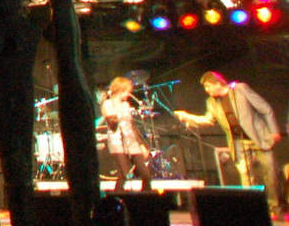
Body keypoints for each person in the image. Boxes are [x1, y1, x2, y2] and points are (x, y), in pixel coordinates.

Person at [176, 70, 282, 214]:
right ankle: (254, 209)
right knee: (246, 176)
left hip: (260, 137)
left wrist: (274, 131)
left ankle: (274, 207)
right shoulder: (211, 102)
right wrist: (188, 117)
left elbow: (265, 109)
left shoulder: (240, 89)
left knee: (271, 173)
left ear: (218, 83)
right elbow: (209, 120)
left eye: (208, 86)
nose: (206, 90)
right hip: (239, 142)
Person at [101, 77, 152, 191]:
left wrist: (142, 145)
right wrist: (116, 107)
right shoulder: (108, 104)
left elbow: (131, 126)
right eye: (127, 91)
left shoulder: (126, 105)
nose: (129, 95)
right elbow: (112, 125)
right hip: (117, 141)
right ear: (120, 90)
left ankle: (147, 199)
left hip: (131, 141)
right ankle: (117, 199)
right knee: (123, 175)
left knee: (146, 175)